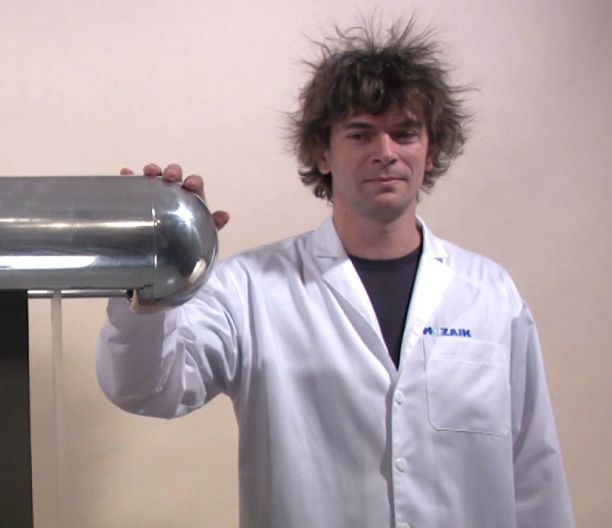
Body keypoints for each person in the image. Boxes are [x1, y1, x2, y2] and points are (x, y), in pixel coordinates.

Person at [95, 20, 575, 528]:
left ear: (430, 150)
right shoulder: (251, 290)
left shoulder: (491, 295)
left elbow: (534, 472)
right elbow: (146, 388)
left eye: (405, 133)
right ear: (322, 152)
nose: (385, 152)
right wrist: (151, 273)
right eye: (361, 134)